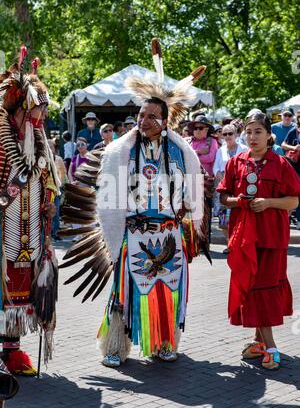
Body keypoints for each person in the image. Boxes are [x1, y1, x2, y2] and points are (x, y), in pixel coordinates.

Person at [60, 38, 207, 368]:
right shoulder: (122, 152)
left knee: (166, 291)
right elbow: (110, 196)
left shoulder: (180, 153)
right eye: (141, 114)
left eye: (152, 116)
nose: (144, 120)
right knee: (124, 293)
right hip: (135, 233)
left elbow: (191, 193)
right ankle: (116, 346)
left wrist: (185, 212)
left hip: (168, 233)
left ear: (165, 121)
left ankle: (162, 342)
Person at [217, 112, 300, 370]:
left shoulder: (281, 163)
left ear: (269, 135)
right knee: (250, 286)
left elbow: (293, 200)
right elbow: (223, 198)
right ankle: (258, 343)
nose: (252, 138)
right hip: (243, 237)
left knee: (264, 287)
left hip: (272, 237)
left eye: (258, 132)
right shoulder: (235, 163)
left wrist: (269, 203)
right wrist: (238, 201)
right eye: (249, 132)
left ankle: (271, 347)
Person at [0, 47, 59, 375]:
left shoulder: (40, 143)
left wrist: (50, 202)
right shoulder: (1, 139)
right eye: (34, 111)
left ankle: (12, 353)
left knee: (21, 289)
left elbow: (49, 180)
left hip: (31, 229)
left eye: (42, 112)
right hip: (4, 227)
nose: (39, 118)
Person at [213, 123, 248, 252]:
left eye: (230, 133)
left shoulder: (244, 149)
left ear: (236, 135)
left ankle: (240, 243)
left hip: (240, 186)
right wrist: (222, 178)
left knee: (240, 215)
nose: (227, 136)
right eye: (225, 134)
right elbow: (215, 168)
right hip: (224, 187)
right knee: (224, 218)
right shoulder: (220, 150)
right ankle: (229, 244)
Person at [281, 110, 300, 228]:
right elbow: (283, 144)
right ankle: (298, 219)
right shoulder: (295, 130)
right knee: (296, 192)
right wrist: (295, 147)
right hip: (296, 166)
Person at [48, 139, 68, 241]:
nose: (49, 149)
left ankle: (55, 232)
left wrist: (59, 185)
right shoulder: (41, 159)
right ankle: (46, 232)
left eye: (51, 146)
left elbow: (63, 174)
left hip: (55, 190)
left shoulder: (58, 159)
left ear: (54, 148)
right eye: (47, 146)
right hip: (44, 190)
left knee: (55, 212)